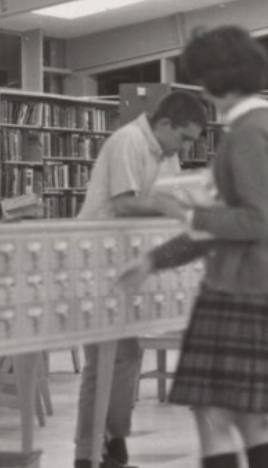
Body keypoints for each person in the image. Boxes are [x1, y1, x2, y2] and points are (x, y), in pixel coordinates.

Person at [117, 26, 268, 468]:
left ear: (218, 78)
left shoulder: (247, 135)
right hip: (257, 288)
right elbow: (227, 224)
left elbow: (251, 222)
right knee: (245, 419)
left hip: (240, 291)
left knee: (213, 415)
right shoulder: (264, 128)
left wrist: (183, 210)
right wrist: (153, 259)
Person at [73, 90, 208, 468]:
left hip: (126, 261)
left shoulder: (166, 153)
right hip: (95, 261)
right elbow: (125, 202)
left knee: (123, 355)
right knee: (107, 358)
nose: (183, 147)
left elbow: (165, 204)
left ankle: (108, 443)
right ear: (164, 123)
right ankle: (94, 449)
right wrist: (173, 206)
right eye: (183, 138)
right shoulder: (128, 141)